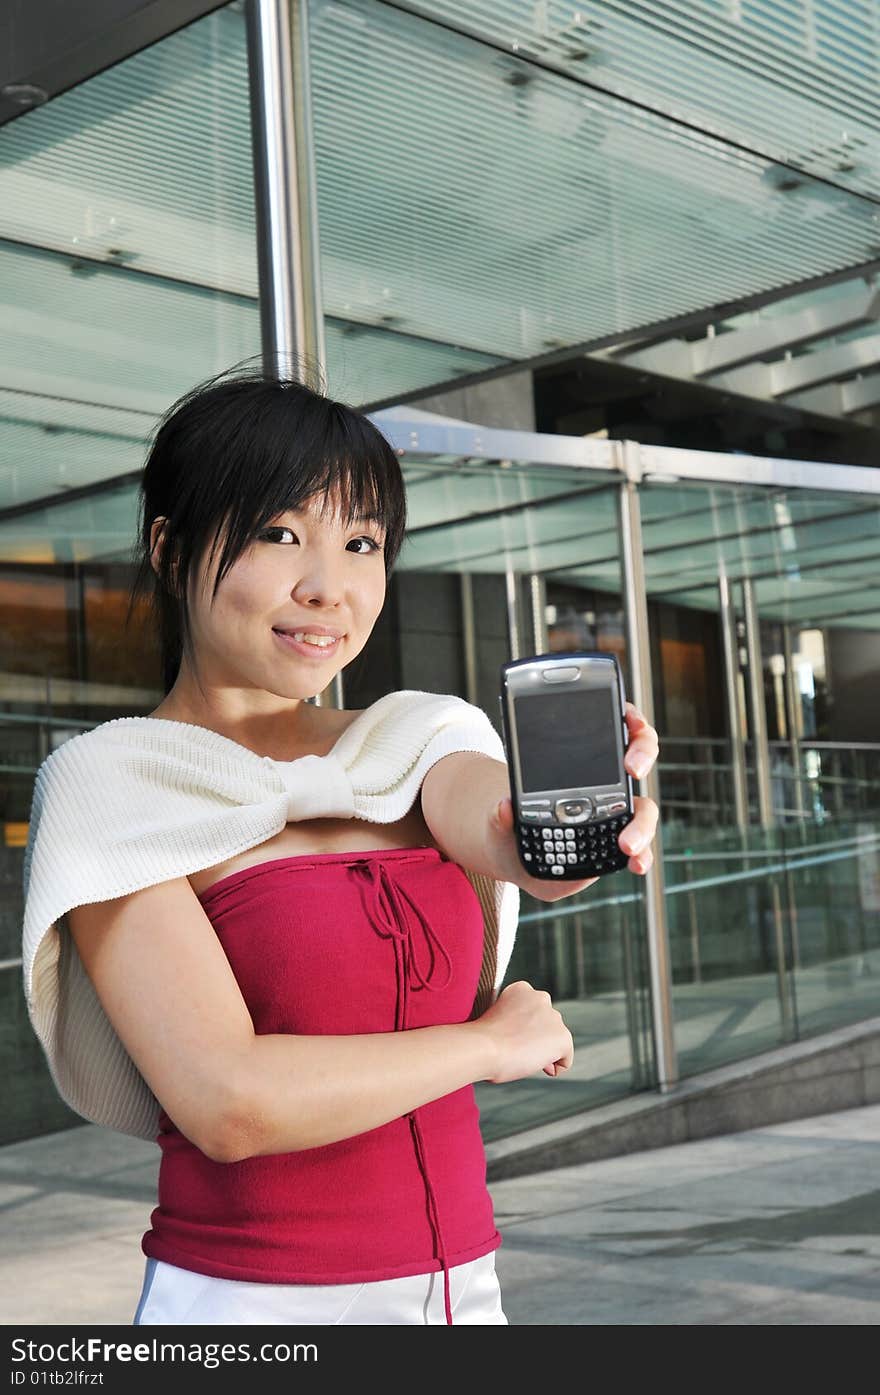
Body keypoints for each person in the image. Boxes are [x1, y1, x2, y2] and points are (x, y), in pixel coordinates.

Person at [22, 367, 660, 1326]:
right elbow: (229, 1102)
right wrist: (488, 1045)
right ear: (168, 544)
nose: (327, 588)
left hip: (464, 1292)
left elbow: (510, 841)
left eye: (361, 543)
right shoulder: (116, 784)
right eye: (279, 533)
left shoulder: (416, 736)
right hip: (247, 1308)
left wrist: (588, 826)